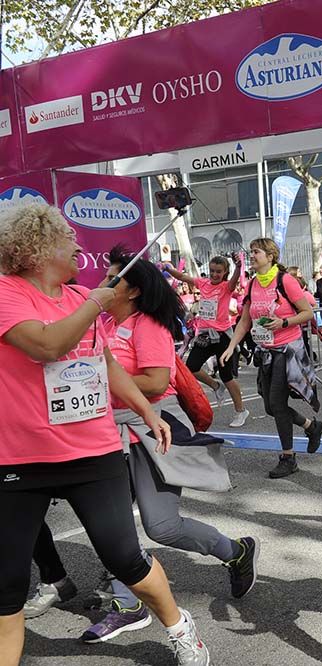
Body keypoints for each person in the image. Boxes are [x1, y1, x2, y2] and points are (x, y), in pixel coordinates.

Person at [0, 203, 209, 665]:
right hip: (19, 460)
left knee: (125, 560)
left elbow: (105, 363)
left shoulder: (79, 296)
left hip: (93, 454)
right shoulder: (6, 293)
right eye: (66, 238)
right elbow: (47, 345)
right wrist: (97, 301)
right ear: (35, 249)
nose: (78, 245)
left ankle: (180, 627)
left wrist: (146, 411)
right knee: (7, 586)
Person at [79, 248, 258, 643]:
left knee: (161, 527)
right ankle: (127, 601)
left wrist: (95, 377)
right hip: (107, 437)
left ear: (134, 291)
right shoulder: (104, 323)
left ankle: (236, 551)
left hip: (150, 432)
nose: (103, 284)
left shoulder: (149, 326)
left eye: (112, 279)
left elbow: (157, 382)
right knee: (109, 523)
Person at [220, 238, 322, 479]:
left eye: (256, 251)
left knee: (277, 404)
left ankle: (288, 457)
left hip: (287, 351)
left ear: (270, 256)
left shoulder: (284, 280)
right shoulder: (253, 284)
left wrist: (284, 322)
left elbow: (307, 312)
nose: (252, 255)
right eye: (251, 251)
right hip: (265, 352)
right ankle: (312, 426)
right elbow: (245, 320)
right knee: (270, 407)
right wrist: (231, 347)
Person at [164, 254, 250, 427]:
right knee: (191, 367)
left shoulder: (226, 287)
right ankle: (215, 386)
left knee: (227, 376)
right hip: (204, 335)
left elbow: (234, 280)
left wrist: (238, 267)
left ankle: (241, 411)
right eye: (212, 271)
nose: (215, 274)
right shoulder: (203, 283)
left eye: (219, 271)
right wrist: (168, 268)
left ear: (225, 272)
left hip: (222, 335)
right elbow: (182, 277)